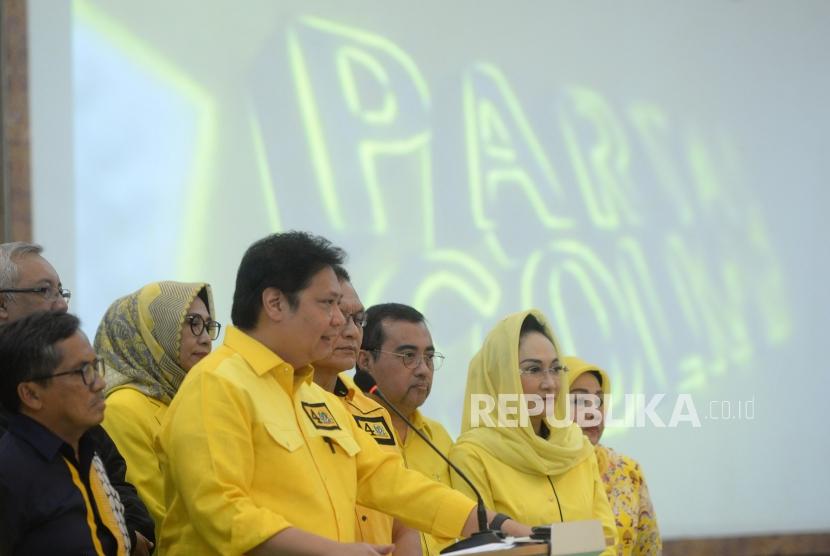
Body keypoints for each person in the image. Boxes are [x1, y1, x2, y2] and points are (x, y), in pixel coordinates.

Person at [155, 231, 529, 556]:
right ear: (275, 303)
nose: (340, 321)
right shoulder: (217, 385)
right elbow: (222, 512)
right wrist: (332, 551)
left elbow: (388, 482)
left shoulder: (315, 398)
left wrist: (502, 527)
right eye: (327, 304)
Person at [0, 241, 155, 553]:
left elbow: (121, 486)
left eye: (61, 291)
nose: (60, 304)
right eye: (45, 291)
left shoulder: (81, 429)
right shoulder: (11, 467)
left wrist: (123, 533)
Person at [449, 309, 617, 553]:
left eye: (556, 369)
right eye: (533, 369)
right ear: (500, 376)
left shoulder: (575, 446)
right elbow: (479, 549)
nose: (550, 383)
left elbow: (606, 536)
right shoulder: (473, 456)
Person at [0, 311, 131, 555]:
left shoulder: (85, 448)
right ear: (31, 394)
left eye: (95, 366)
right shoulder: (9, 475)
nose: (100, 383)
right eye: (81, 371)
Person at [311, 267, 422, 555]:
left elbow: (403, 515)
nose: (350, 331)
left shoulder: (372, 411)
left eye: (358, 320)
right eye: (337, 316)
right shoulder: (281, 402)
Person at [96, 281, 219, 528]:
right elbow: (157, 518)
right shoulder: (122, 408)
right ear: (152, 333)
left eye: (208, 326)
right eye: (192, 323)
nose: (206, 339)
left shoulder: (190, 398)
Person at [357, 303, 456, 555]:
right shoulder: (345, 426)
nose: (423, 370)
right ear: (365, 360)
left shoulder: (439, 437)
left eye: (429, 357)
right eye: (408, 356)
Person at [565, 356, 662, 555]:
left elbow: (647, 548)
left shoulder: (626, 470)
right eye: (579, 401)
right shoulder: (539, 470)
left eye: (599, 401)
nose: (594, 413)